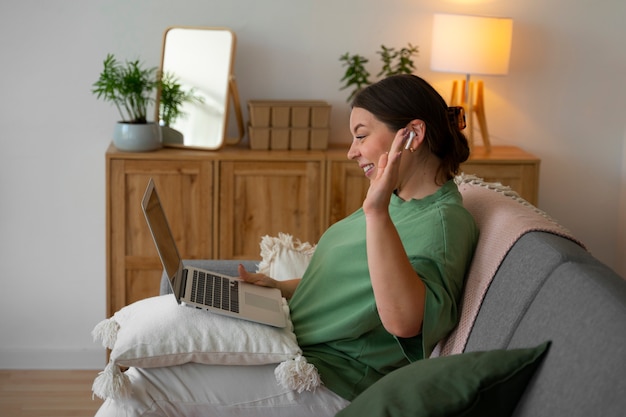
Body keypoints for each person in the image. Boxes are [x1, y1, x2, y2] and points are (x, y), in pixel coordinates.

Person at [95, 74, 478, 417]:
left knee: (141, 393)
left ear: (412, 135)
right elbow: (354, 287)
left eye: (361, 135)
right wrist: (279, 288)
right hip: (295, 343)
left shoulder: (440, 223)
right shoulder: (398, 199)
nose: (351, 150)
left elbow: (405, 321)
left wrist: (375, 211)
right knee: (143, 376)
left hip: (332, 380)